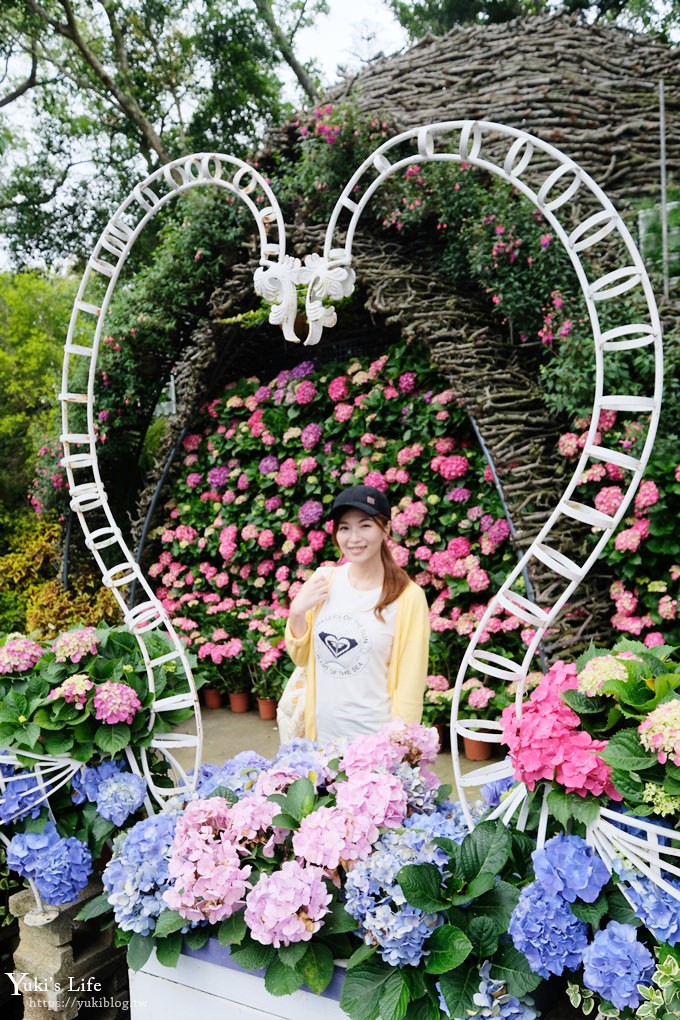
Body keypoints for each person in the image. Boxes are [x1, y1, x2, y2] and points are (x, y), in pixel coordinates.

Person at [284, 484, 430, 744]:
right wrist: (297, 612)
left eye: (365, 526)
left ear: (385, 528)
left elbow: (411, 682)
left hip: (375, 744)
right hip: (321, 740)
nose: (353, 538)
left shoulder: (408, 597)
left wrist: (401, 746)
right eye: (344, 528)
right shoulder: (324, 580)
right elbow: (301, 657)